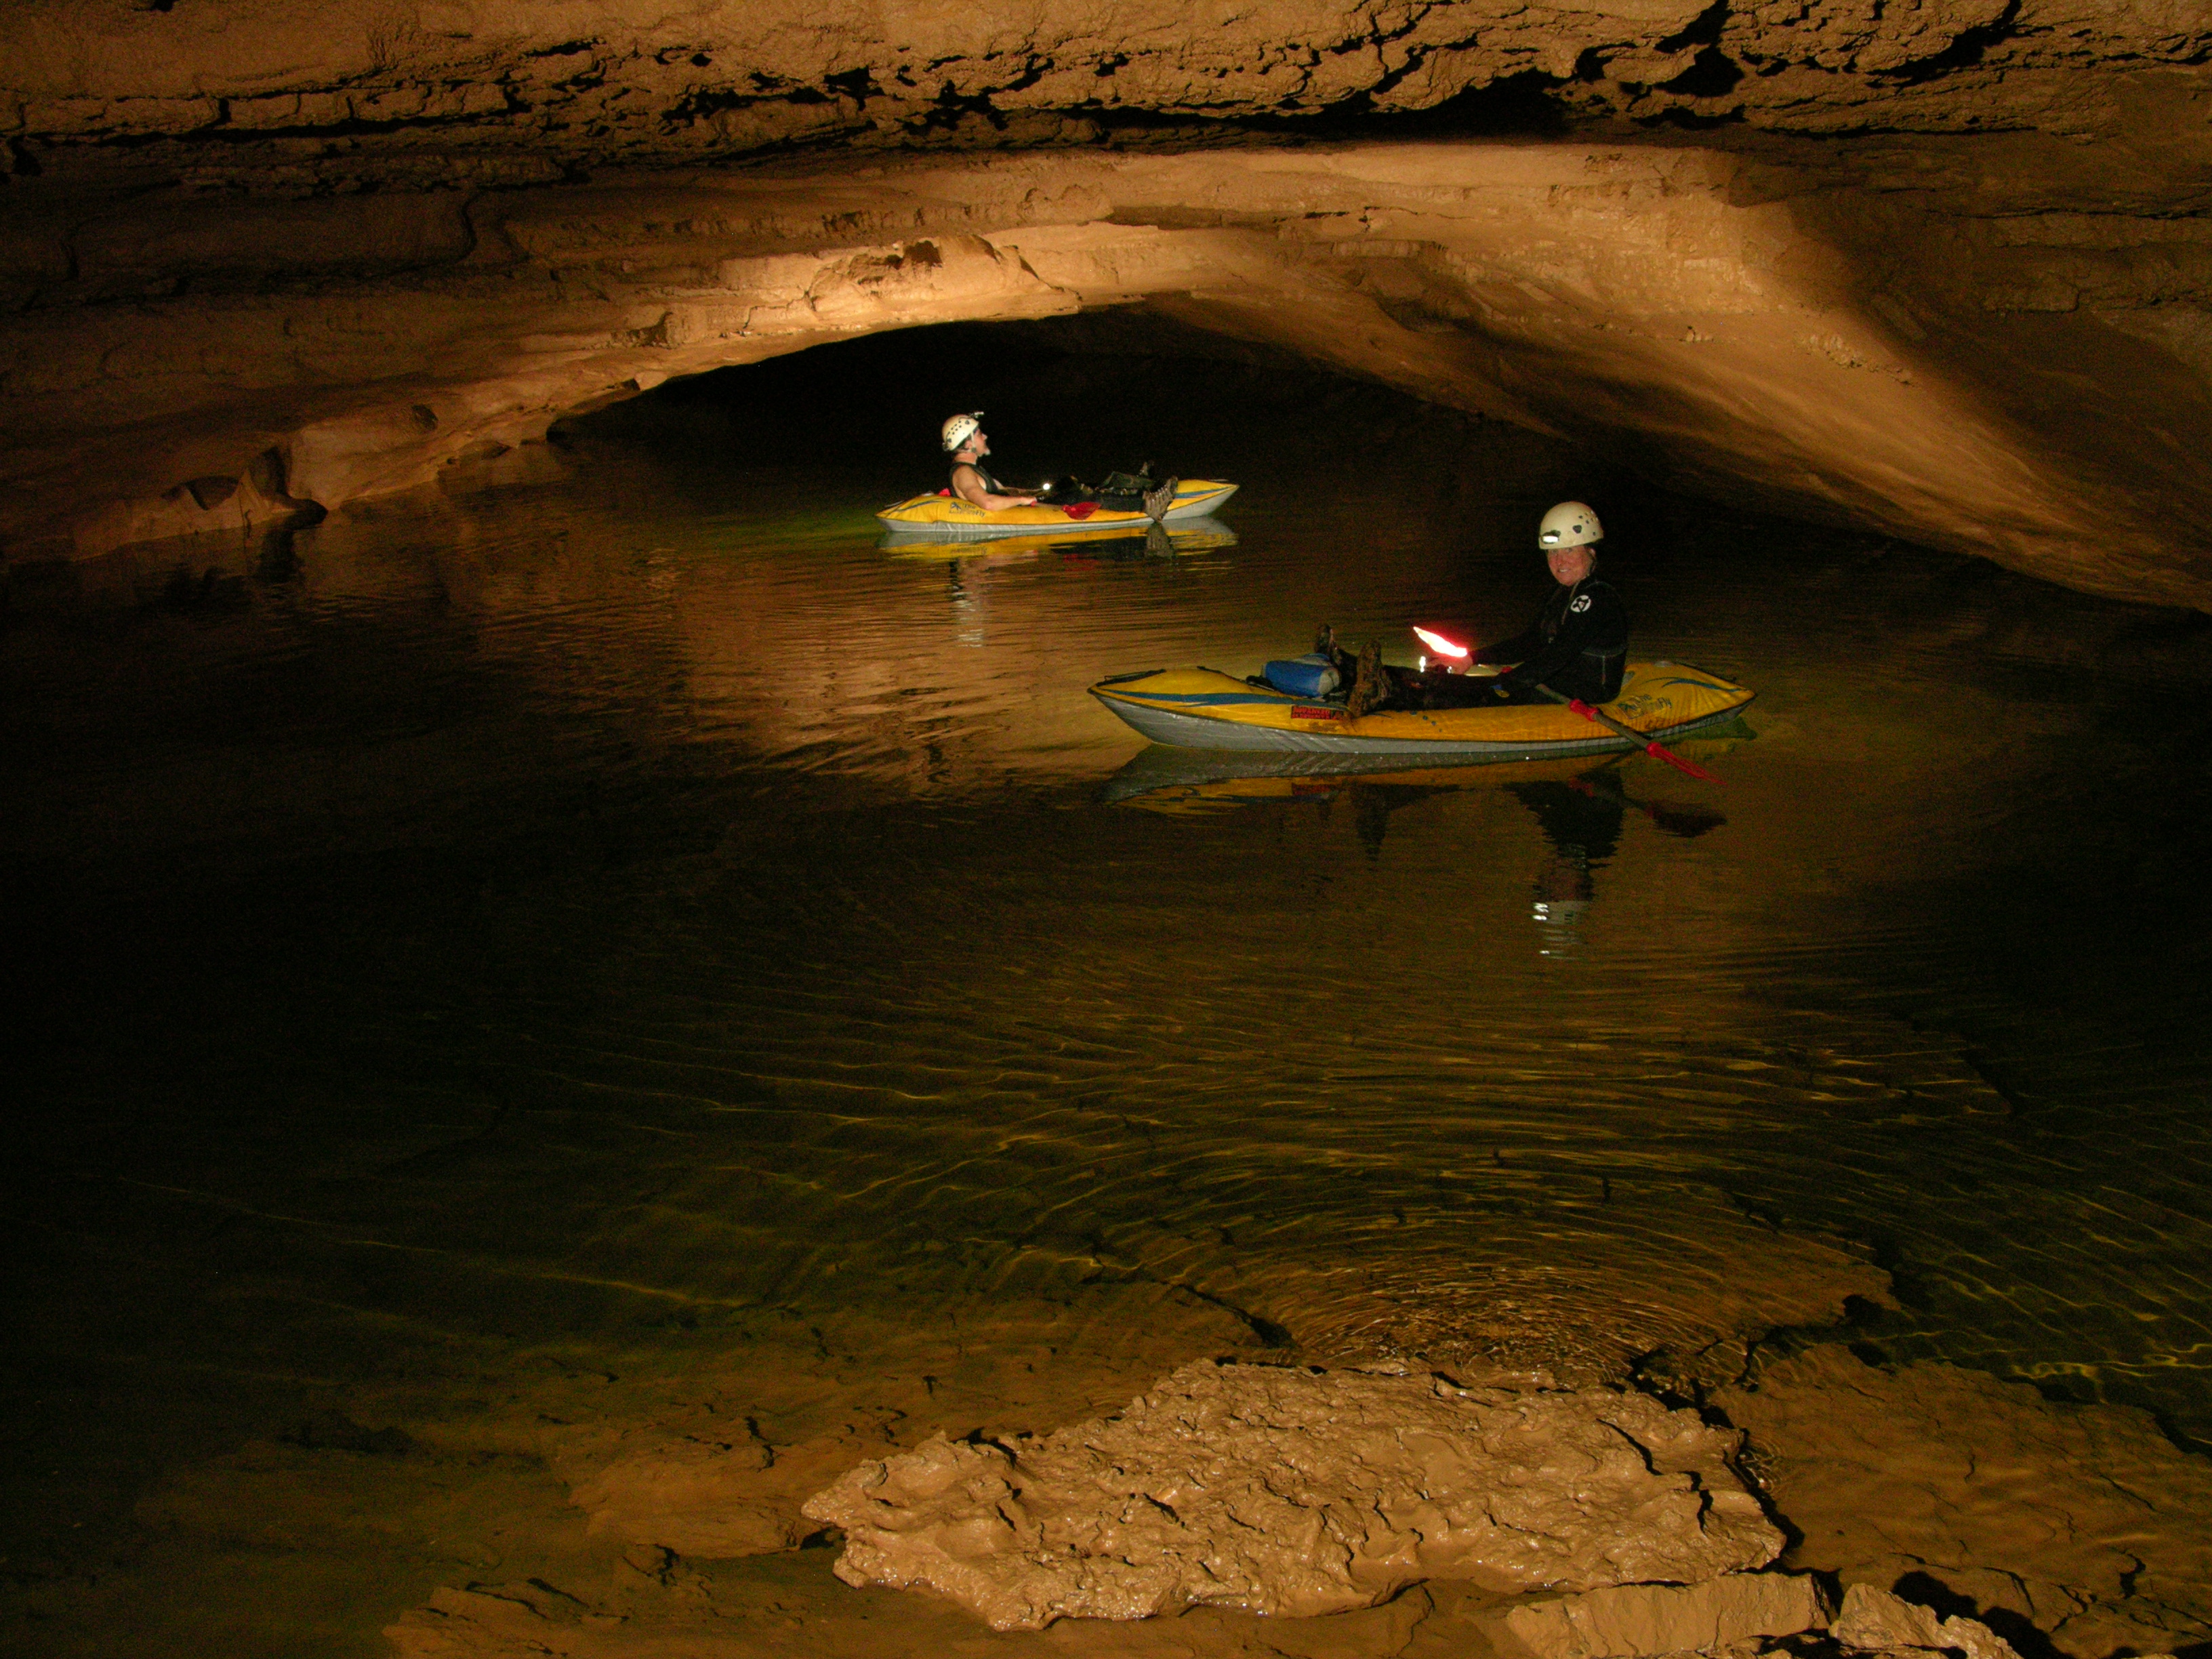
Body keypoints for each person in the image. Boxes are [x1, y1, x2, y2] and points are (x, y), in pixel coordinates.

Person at [1404, 500, 1629, 711]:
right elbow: (1531, 642)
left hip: (1589, 693)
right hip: (1556, 681)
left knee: (1482, 692)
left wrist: (1503, 684)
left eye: (1569, 550)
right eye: (1553, 552)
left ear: (1591, 551)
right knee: (1464, 687)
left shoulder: (1598, 599)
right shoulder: (1563, 593)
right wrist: (1472, 658)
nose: (1559, 562)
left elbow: (1559, 654)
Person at [941, 412, 1038, 511]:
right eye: (979, 434)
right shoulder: (963, 473)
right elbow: (988, 503)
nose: (985, 437)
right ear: (968, 445)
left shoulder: (974, 470)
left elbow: (1005, 490)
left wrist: (1037, 494)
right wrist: (1021, 500)